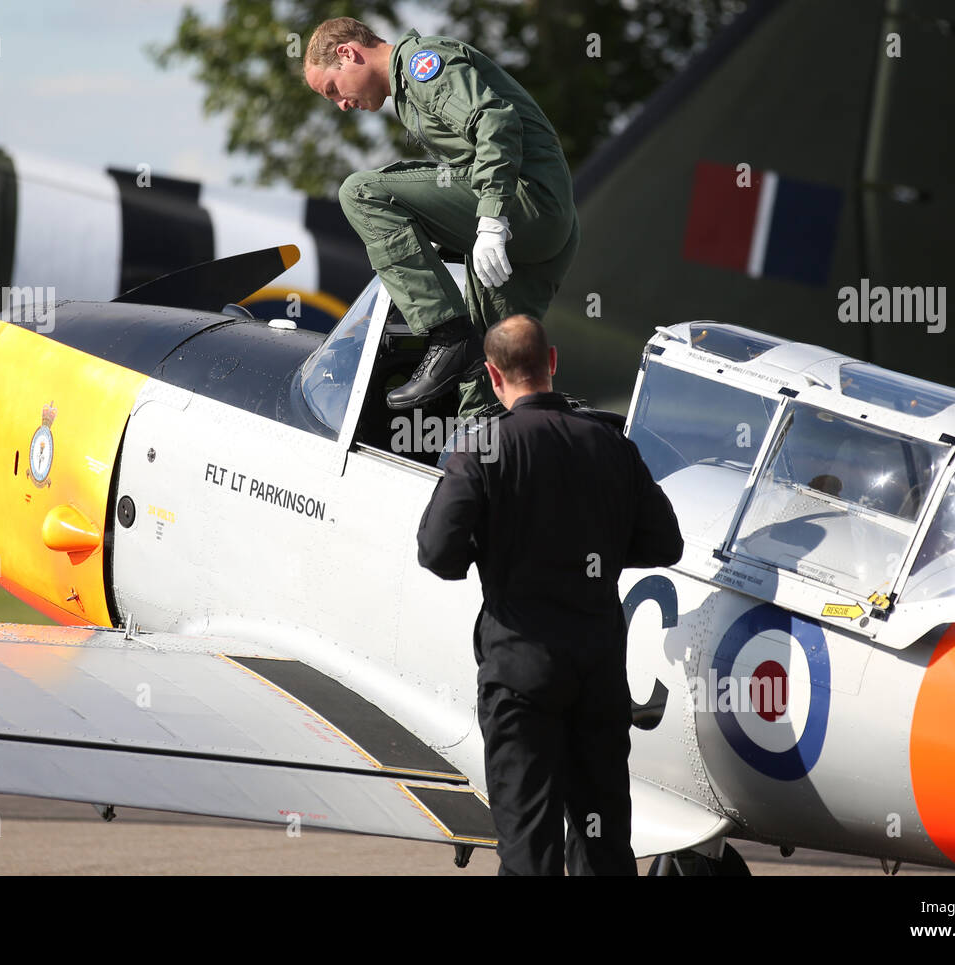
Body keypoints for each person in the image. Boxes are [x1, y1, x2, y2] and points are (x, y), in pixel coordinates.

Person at [416, 315, 684, 875]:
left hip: (521, 672)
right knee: (604, 841)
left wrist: (493, 552)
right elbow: (666, 542)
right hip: (599, 674)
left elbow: (438, 552)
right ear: (553, 362)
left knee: (528, 845)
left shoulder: (484, 446)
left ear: (492, 375)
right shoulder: (612, 444)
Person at [303, 17, 579, 419]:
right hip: (547, 223)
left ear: (347, 53)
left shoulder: (420, 66)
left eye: (333, 90)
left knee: (360, 192)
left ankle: (446, 333)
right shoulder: (407, 92)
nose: (343, 105)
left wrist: (490, 219)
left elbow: (495, 122)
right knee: (492, 373)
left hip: (524, 202)